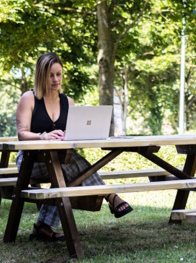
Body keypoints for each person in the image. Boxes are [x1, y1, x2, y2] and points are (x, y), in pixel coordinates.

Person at [15, 52, 132, 242]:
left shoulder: (68, 102)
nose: (55, 79)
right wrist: (43, 136)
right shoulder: (29, 98)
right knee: (63, 165)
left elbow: (72, 134)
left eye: (58, 74)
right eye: (50, 75)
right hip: (30, 160)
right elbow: (22, 134)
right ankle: (110, 196)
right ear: (41, 76)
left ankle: (42, 227)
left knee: (62, 166)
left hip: (58, 161)